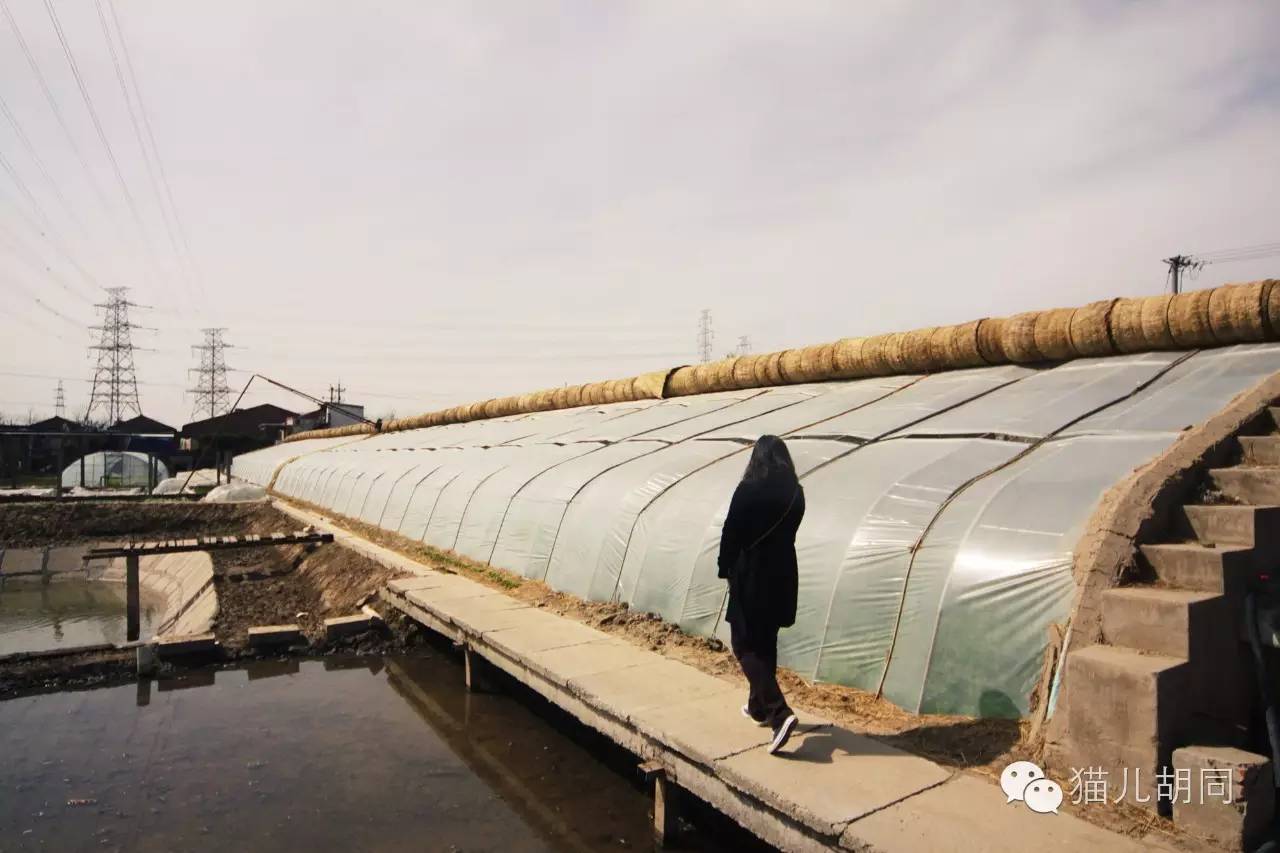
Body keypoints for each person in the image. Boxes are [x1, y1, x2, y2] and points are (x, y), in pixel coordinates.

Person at [717, 434, 805, 754]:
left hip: (752, 575)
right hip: (782, 575)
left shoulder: (748, 490)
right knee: (766, 641)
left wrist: (725, 567)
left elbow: (731, 533)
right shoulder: (796, 494)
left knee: (743, 644)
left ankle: (779, 713)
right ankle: (758, 707)